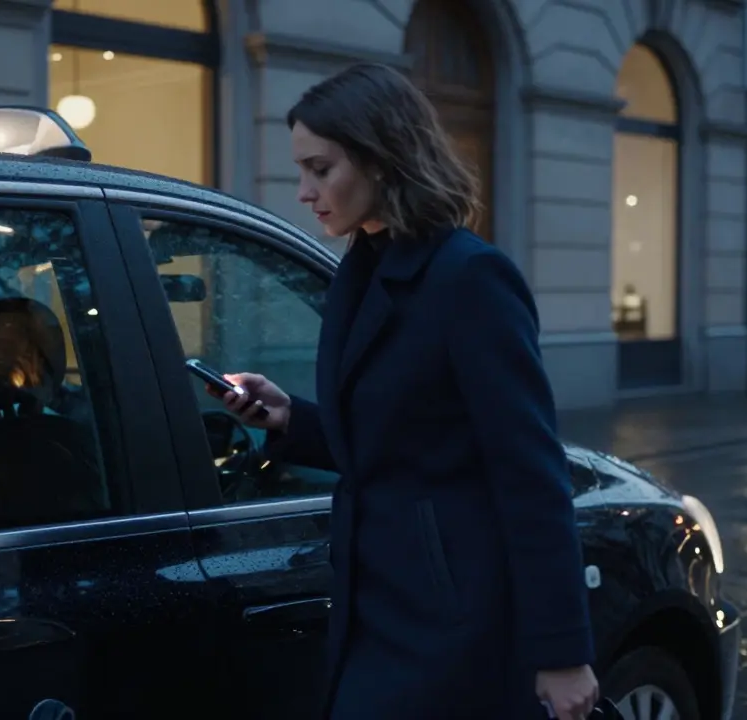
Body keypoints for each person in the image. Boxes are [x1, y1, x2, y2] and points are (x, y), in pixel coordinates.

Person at [215, 63, 601, 720]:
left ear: (381, 158)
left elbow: (531, 474)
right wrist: (291, 421)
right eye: (301, 171)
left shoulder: (470, 278)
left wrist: (561, 651)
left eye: (321, 169)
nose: (305, 192)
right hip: (373, 605)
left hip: (452, 624)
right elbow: (397, 439)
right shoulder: (359, 271)